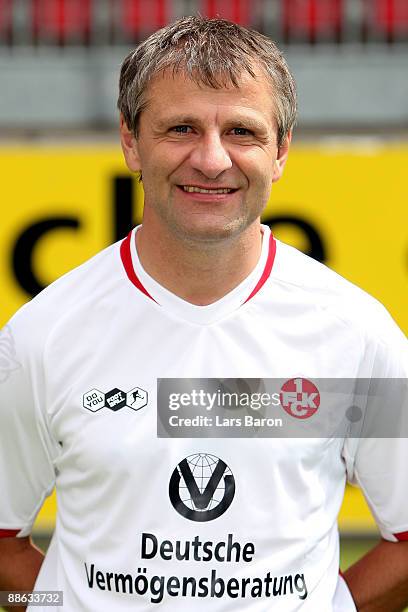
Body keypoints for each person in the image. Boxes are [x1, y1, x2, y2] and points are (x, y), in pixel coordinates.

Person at [0, 15, 407, 612]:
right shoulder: (41, 335)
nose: (212, 159)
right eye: (181, 128)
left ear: (281, 151)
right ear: (130, 140)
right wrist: (59, 607)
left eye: (242, 131)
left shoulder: (358, 333)